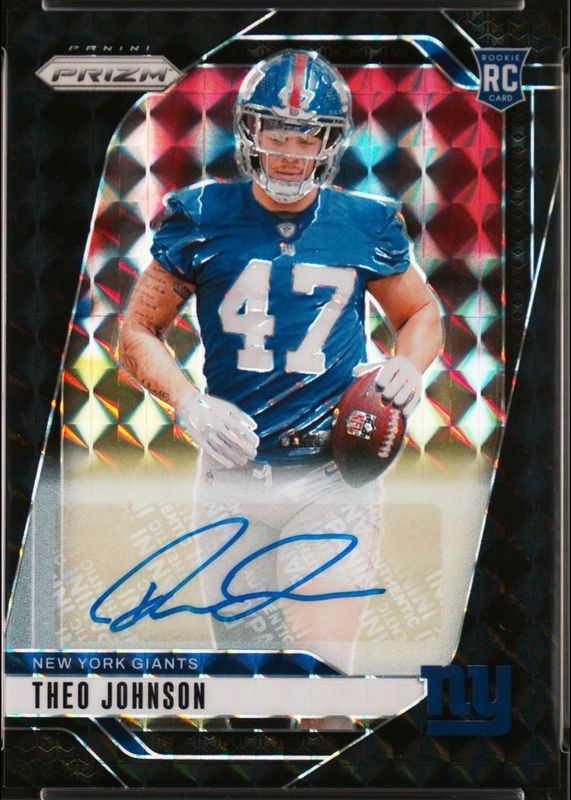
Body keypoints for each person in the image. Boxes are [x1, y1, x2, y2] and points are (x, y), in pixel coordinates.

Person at [119, 49, 442, 676]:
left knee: (321, 679)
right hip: (230, 475)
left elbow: (420, 313)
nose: (291, 152)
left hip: (330, 475)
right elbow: (138, 329)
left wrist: (409, 364)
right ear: (250, 131)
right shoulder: (201, 216)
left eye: (308, 136)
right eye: (277, 133)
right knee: (246, 689)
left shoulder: (364, 221)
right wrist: (188, 403)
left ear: (330, 141)